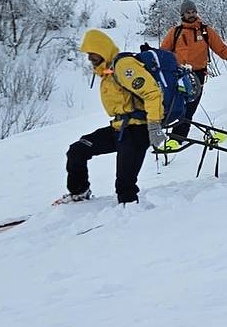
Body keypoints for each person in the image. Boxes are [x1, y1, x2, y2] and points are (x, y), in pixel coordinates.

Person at [58, 28, 166, 205]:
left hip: (137, 131)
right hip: (119, 129)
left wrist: (154, 126)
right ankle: (79, 192)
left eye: (93, 53)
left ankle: (130, 213)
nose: (89, 58)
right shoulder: (108, 71)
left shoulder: (124, 66)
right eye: (88, 54)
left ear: (102, 50)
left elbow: (152, 93)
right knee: (77, 150)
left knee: (125, 185)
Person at [159, 0, 227, 149]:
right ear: (182, 15)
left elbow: (219, 47)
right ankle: (168, 135)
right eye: (188, 12)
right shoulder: (175, 32)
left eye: (193, 12)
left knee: (190, 106)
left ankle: (177, 138)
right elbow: (163, 52)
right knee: (175, 104)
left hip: (197, 74)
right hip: (178, 74)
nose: (191, 15)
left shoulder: (205, 31)